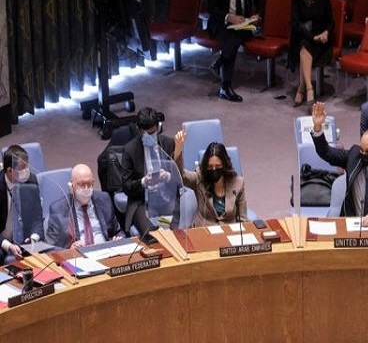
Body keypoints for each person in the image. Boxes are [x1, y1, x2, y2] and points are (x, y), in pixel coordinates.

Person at [311, 102, 368, 226]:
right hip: (350, 223)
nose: (363, 154)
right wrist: (317, 127)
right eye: (362, 150)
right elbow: (326, 152)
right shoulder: (354, 156)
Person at [207, 0, 264, 102]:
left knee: (236, 34)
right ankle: (225, 85)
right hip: (222, 22)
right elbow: (211, 7)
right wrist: (228, 17)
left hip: (244, 23)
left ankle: (222, 72)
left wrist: (258, 15)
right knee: (232, 36)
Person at [121, 107, 178, 235]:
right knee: (152, 234)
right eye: (145, 134)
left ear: (158, 127)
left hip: (165, 197)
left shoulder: (169, 144)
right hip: (142, 201)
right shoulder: (130, 150)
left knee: (177, 228)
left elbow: (179, 177)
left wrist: (168, 176)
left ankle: (165, 228)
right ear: (139, 130)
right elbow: (126, 186)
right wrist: (143, 182)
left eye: (152, 133)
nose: (149, 137)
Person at [288, 0, 334, 112]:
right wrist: (312, 37)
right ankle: (309, 89)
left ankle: (302, 87)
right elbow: (296, 24)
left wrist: (325, 33)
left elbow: (331, 22)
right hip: (303, 36)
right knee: (303, 45)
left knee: (305, 47)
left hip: (321, 39)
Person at [173, 135, 247, 226]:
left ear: (225, 165)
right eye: (210, 166)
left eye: (218, 166)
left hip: (228, 231)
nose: (214, 169)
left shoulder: (238, 183)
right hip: (204, 229)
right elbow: (181, 176)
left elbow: (243, 219)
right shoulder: (200, 178)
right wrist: (178, 149)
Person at [46, 164, 123, 249]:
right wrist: (69, 250)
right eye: (81, 184)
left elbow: (118, 231)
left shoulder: (104, 199)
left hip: (106, 251)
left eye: (89, 184)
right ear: (71, 186)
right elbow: (50, 248)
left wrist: (119, 239)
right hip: (79, 255)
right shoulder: (58, 209)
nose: (86, 189)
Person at [0, 145, 43, 263]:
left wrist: (33, 238)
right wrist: (9, 246)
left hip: (25, 241)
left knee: (48, 252)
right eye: (22, 167)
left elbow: (37, 217)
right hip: (2, 241)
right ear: (10, 170)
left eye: (27, 165)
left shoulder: (31, 181)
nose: (26, 171)